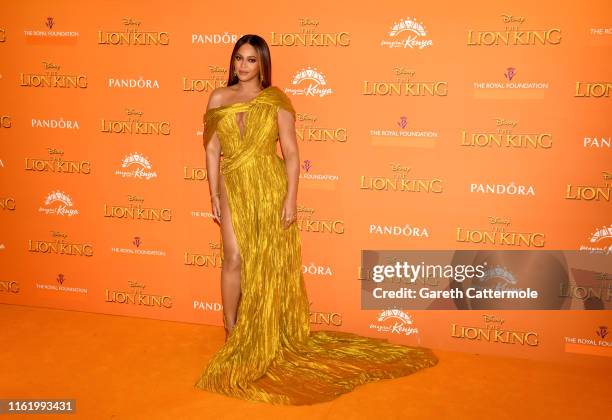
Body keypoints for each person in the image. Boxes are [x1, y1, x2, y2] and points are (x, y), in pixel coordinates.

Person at [194, 34, 438, 405]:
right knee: (233, 258)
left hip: (269, 185)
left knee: (267, 264)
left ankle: (264, 332)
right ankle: (232, 333)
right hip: (234, 184)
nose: (242, 66)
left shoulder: (277, 101)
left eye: (250, 60)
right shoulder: (217, 97)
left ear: (263, 64)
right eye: (238, 59)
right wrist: (213, 193)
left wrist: (292, 197)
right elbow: (212, 150)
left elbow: (291, 153)